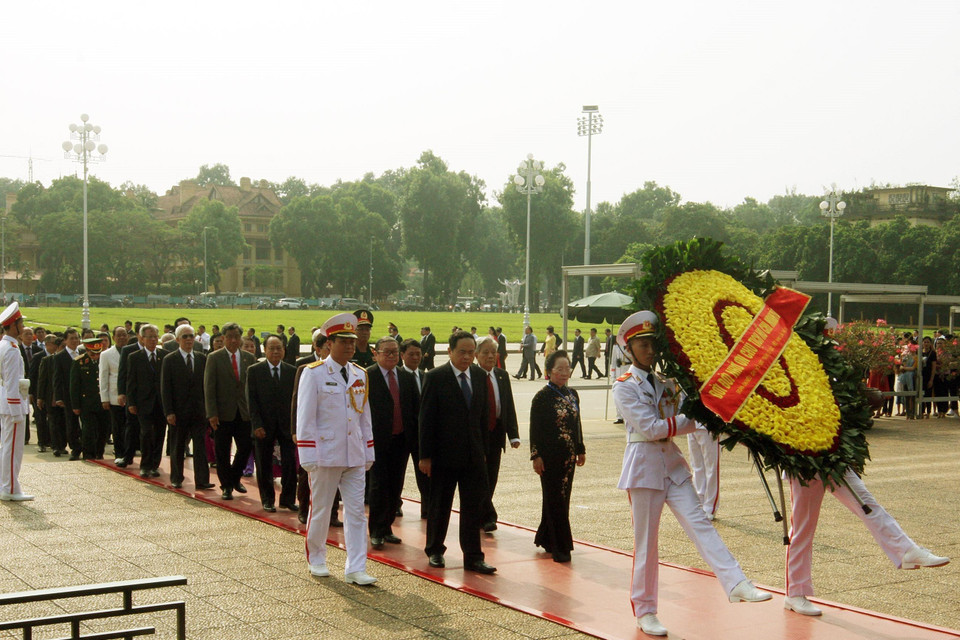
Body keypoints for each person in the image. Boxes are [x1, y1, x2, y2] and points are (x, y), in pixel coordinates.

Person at [612, 310, 771, 636]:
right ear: (629, 348)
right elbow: (651, 427)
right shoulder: (624, 386)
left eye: (652, 344)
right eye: (642, 344)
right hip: (643, 467)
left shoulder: (665, 382)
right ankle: (645, 611)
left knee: (700, 524)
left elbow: (691, 404)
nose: (649, 350)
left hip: (671, 464)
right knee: (646, 544)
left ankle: (736, 582)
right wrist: (698, 419)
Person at [296, 312, 376, 585]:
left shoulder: (360, 374)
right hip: (325, 454)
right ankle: (316, 558)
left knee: (355, 512)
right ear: (330, 344)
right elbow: (305, 417)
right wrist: (307, 455)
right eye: (344, 342)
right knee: (321, 508)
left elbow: (364, 416)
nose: (350, 347)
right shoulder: (314, 373)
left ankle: (356, 566)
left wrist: (369, 451)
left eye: (352, 342)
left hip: (354, 454)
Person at [419, 330, 496, 574]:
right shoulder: (436, 377)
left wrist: (483, 450)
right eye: (461, 352)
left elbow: (483, 417)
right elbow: (426, 419)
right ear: (450, 351)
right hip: (443, 456)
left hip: (473, 455)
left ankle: (473, 556)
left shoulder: (478, 375)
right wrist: (425, 456)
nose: (466, 357)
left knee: (472, 507)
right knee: (440, 505)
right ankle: (435, 550)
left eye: (471, 352)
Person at [530, 350, 585, 562]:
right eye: (559, 369)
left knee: (563, 497)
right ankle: (561, 546)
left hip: (568, 457)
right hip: (549, 456)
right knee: (555, 499)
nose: (564, 373)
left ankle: (547, 538)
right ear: (549, 371)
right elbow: (535, 429)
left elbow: (577, 424)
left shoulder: (572, 394)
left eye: (567, 368)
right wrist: (536, 455)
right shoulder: (542, 397)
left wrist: (580, 448)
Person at [366, 336, 419, 548]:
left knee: (395, 486)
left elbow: (416, 410)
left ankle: (387, 527)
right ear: (375, 353)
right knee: (378, 486)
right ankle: (376, 530)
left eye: (395, 352)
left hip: (401, 440)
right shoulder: (367, 376)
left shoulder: (406, 377)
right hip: (377, 441)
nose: (391, 356)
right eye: (386, 352)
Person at [245, 334, 297, 512]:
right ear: (265, 350)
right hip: (263, 426)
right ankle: (267, 499)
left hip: (287, 426)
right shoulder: (254, 370)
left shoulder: (292, 371)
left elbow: (296, 401)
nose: (275, 352)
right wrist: (256, 424)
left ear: (284, 350)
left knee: (290, 464)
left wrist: (295, 426)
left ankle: (288, 499)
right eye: (271, 348)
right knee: (264, 464)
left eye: (279, 348)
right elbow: (251, 401)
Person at [204, 322, 256, 500]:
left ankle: (234, 477)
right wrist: (212, 413)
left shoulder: (248, 358)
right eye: (229, 337)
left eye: (236, 337)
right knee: (222, 451)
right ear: (223, 338)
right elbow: (209, 388)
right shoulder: (214, 357)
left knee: (245, 447)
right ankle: (226, 485)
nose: (233, 340)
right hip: (222, 413)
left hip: (244, 413)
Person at [475, 336, 520, 532]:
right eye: (485, 352)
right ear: (476, 355)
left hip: (496, 434)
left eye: (493, 352)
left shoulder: (501, 375)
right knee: (480, 477)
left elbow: (508, 405)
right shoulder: (473, 376)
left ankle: (482, 513)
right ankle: (487, 516)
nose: (490, 356)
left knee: (491, 477)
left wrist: (514, 434)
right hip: (477, 435)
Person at [160, 324, 212, 491]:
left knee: (200, 448)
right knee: (178, 447)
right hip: (178, 412)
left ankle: (202, 480)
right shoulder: (170, 360)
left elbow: (207, 386)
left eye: (191, 336)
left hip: (199, 412)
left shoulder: (202, 358)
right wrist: (169, 411)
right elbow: (165, 388)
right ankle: (176, 477)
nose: (189, 339)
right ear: (177, 340)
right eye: (185, 337)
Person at [125, 324, 168, 479]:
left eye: (155, 336)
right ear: (142, 339)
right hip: (143, 403)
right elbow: (131, 381)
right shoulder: (135, 357)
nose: (153, 339)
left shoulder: (165, 355)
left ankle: (155, 465)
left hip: (162, 403)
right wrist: (131, 402)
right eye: (149, 336)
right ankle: (145, 465)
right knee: (146, 433)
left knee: (159, 434)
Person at [0, 302, 32, 501]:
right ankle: (10, 488)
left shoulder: (5, 344)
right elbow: (11, 383)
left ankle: (7, 484)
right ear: (14, 325)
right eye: (20, 323)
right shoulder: (11, 349)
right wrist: (16, 411)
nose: (23, 327)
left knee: (6, 446)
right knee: (13, 449)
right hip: (12, 404)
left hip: (6, 402)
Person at [70, 336, 111, 459]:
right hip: (86, 403)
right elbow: (74, 385)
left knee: (103, 430)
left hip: (103, 402)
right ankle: (88, 454)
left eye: (97, 354)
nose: (95, 357)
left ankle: (99, 452)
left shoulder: (104, 360)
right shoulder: (79, 362)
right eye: (92, 354)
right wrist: (75, 405)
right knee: (88, 431)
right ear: (87, 351)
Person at [52, 328, 83, 460]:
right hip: (68, 395)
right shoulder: (60, 357)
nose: (75, 341)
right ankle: (75, 449)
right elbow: (57, 378)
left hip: (84, 395)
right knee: (71, 424)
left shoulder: (84, 353)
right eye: (72, 338)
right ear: (65, 340)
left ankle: (87, 447)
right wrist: (58, 397)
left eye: (76, 338)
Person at [99, 326, 128, 460]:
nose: (122, 337)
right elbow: (103, 377)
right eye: (119, 335)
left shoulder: (132, 351)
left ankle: (129, 452)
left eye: (124, 335)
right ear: (114, 337)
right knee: (117, 426)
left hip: (131, 396)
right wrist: (104, 398)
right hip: (114, 395)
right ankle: (119, 452)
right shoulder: (106, 354)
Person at [29, 334, 57, 453]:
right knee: (40, 419)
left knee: (52, 419)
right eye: (54, 343)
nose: (56, 346)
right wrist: (32, 393)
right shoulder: (38, 357)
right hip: (39, 393)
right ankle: (41, 443)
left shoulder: (57, 356)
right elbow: (33, 375)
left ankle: (51, 441)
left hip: (52, 394)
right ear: (47, 344)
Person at [687, 428, 720, 520]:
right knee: (697, 466)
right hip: (691, 424)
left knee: (711, 467)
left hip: (709, 425)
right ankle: (699, 502)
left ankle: (710, 507)